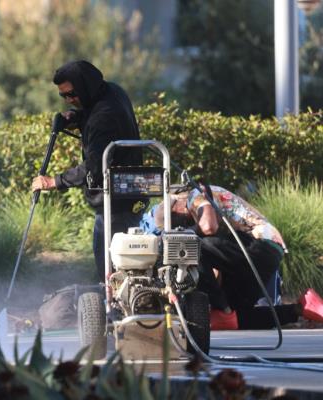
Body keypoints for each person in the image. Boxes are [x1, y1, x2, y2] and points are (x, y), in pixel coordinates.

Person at [31, 60, 147, 282]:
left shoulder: (103, 118)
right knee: (122, 259)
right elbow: (95, 113)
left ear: (85, 86)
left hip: (116, 199)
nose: (69, 100)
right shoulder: (112, 91)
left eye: (72, 94)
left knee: (110, 265)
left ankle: (112, 308)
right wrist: (76, 117)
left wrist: (53, 181)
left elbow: (94, 166)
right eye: (63, 96)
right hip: (131, 189)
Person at [150, 185, 323, 330]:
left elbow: (209, 227)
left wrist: (184, 235)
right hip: (263, 254)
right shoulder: (188, 204)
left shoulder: (193, 195)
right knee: (237, 319)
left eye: (179, 222)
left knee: (191, 246)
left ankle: (222, 310)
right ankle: (301, 308)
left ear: (178, 206)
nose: (181, 226)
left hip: (259, 244)